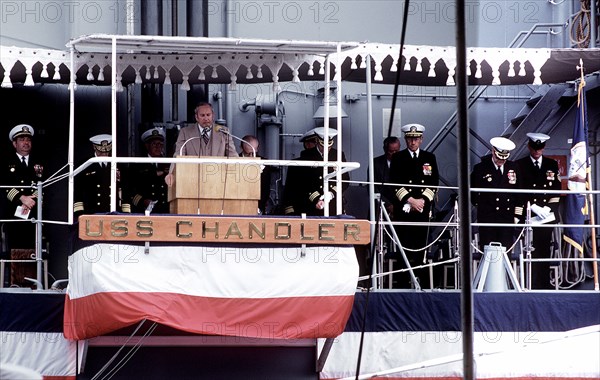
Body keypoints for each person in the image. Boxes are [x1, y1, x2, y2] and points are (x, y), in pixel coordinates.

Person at [388, 124, 439, 288]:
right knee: (404, 248)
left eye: (416, 138)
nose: (413, 142)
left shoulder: (429, 158)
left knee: (421, 248)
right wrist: (411, 200)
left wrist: (423, 200)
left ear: (421, 139)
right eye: (410, 138)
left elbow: (433, 184)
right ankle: (403, 284)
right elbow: (394, 184)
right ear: (406, 139)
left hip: (423, 211)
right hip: (405, 210)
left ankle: (421, 284)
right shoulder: (398, 158)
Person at [1, 125, 46, 286]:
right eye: (21, 140)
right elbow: (4, 187)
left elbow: (45, 185)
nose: (26, 142)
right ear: (14, 144)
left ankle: (34, 283)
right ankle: (15, 282)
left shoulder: (39, 162)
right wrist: (22, 198)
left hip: (35, 215)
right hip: (13, 216)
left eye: (28, 139)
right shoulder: (6, 163)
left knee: (34, 249)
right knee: (15, 249)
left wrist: (33, 200)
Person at [516, 133, 561, 289]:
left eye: (540, 148)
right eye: (534, 148)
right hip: (529, 214)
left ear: (544, 147)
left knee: (544, 248)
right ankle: (531, 283)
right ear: (529, 147)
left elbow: (556, 190)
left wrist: (548, 208)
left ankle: (544, 283)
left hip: (546, 216)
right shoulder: (519, 165)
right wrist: (532, 206)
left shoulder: (552, 165)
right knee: (530, 248)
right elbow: (518, 191)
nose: (537, 151)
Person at [165, 102, 237, 187]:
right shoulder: (185, 132)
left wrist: (238, 172)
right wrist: (171, 173)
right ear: (196, 117)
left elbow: (233, 155)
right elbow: (178, 154)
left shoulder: (223, 131)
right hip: (192, 181)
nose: (206, 118)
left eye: (208, 115)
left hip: (218, 182)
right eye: (202, 115)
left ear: (213, 115)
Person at [471, 136, 523, 251]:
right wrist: (483, 209)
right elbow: (473, 195)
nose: (501, 161)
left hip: (507, 218)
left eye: (504, 159)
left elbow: (519, 193)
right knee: (488, 253)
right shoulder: (481, 168)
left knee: (505, 252)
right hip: (488, 218)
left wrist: (516, 216)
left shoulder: (513, 167)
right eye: (499, 158)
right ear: (493, 151)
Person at [283, 127, 349, 216]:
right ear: (317, 141)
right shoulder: (307, 155)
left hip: (333, 204)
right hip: (312, 205)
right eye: (323, 145)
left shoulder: (338, 155)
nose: (326, 149)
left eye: (329, 146)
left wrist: (331, 194)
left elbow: (345, 179)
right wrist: (317, 198)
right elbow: (304, 183)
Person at [73, 134, 131, 217]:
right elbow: (78, 190)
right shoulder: (85, 164)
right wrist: (79, 213)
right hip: (91, 212)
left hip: (114, 211)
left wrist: (126, 211)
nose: (104, 154)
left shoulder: (118, 164)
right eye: (101, 151)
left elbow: (125, 188)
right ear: (94, 147)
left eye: (107, 151)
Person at [129, 128, 170, 214]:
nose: (158, 147)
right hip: (143, 209)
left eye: (160, 144)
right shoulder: (137, 164)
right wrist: (143, 201)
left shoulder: (168, 163)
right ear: (147, 146)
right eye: (154, 144)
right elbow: (131, 189)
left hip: (164, 209)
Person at [239, 135, 273, 214]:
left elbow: (266, 188)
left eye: (254, 153)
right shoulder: (233, 161)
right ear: (241, 147)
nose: (251, 157)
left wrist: (260, 207)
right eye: (248, 154)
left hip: (258, 206)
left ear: (258, 148)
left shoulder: (264, 163)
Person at [372, 136, 401, 215]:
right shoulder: (375, 163)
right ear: (385, 149)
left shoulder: (405, 163)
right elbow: (372, 187)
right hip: (380, 206)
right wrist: (388, 205)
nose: (395, 154)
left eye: (397, 151)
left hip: (401, 206)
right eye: (391, 151)